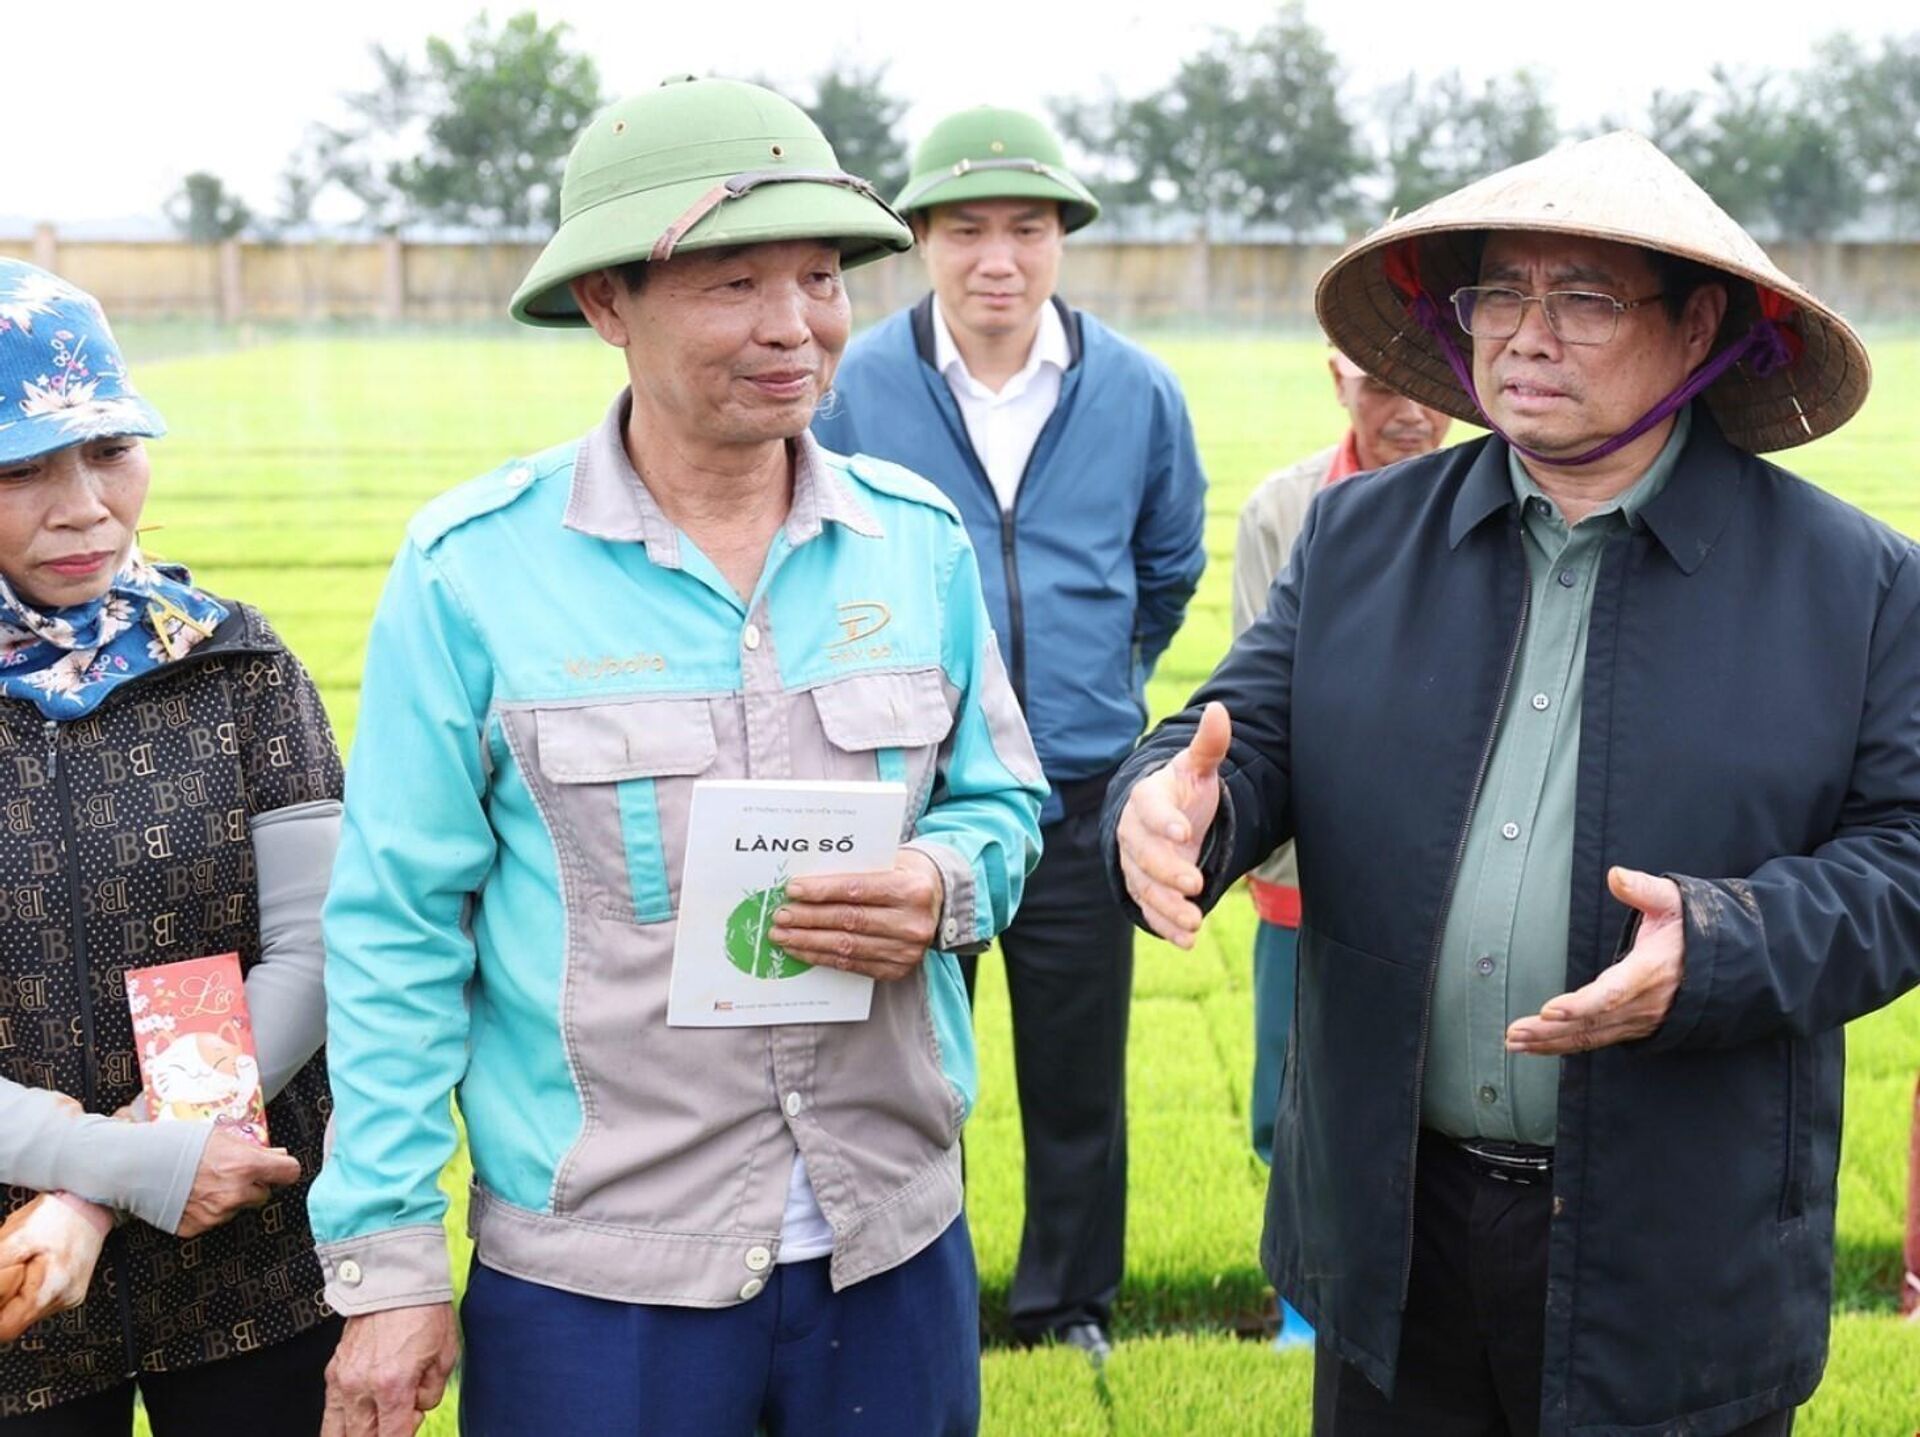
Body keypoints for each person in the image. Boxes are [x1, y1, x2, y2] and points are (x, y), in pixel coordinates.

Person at [1104, 131, 1920, 1436]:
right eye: (1500, 293)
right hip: (1394, 1228)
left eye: (1584, 297)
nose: (1525, 336)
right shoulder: (1361, 538)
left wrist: (1724, 944)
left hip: (1674, 1246)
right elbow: (1235, 734)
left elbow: (1905, 858)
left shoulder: (1856, 585)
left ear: (1701, 323)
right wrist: (1168, 802)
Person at [308, 77, 1046, 1437]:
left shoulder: (915, 541)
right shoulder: (473, 573)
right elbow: (397, 929)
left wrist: (944, 881)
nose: (794, 325)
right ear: (606, 305)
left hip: (887, 1243)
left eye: (822, 276)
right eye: (731, 283)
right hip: (602, 1281)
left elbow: (1004, 800)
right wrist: (391, 1264)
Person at [813, 105, 1207, 1360]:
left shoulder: (1137, 390)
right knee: (898, 1072)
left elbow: (1166, 567)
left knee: (1077, 1078)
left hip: (1084, 799)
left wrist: (1095, 685)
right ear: (921, 239)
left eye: (1026, 229)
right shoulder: (856, 385)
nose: (999, 258)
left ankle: (1067, 1306)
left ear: (1060, 240)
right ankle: (915, 1296)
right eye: (966, 229)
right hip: (908, 803)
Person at [0, 260, 342, 1433]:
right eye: (21, 469)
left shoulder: (238, 666)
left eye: (109, 451)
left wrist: (115, 1187)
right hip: (14, 1288)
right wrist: (117, 1167)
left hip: (243, 1258)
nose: (86, 505)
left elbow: (313, 953)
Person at [1231, 350, 1451, 1349]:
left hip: (1447, 873)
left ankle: (1425, 1294)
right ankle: (1305, 1304)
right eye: (1379, 388)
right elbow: (1260, 703)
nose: (1410, 414)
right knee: (1293, 1095)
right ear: (1335, 381)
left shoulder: (1494, 500)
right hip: (1306, 873)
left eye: (1431, 390)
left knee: (1435, 1093)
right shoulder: (1284, 511)